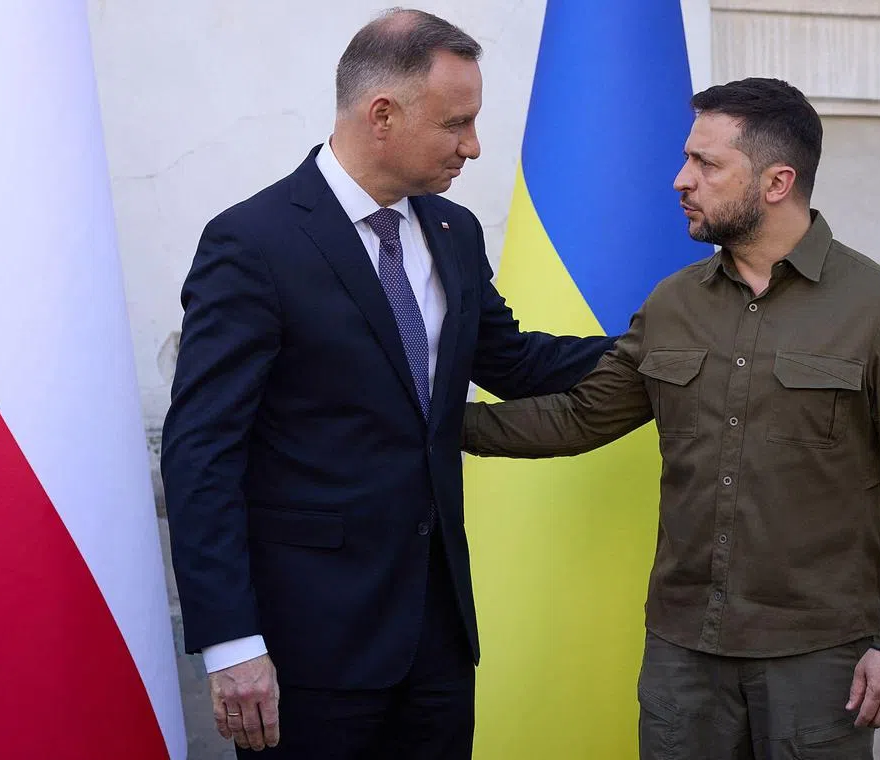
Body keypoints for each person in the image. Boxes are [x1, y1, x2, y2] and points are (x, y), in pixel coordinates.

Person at [160, 9, 611, 759]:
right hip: (307, 651)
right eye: (456, 124)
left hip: (436, 638)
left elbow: (515, 364)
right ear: (382, 115)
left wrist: (664, 343)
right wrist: (232, 644)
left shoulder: (453, 233)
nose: (473, 146)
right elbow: (201, 451)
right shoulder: (253, 243)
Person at [463, 77, 880, 759]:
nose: (680, 180)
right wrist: (437, 423)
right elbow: (580, 418)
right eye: (687, 159)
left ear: (777, 182)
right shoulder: (672, 304)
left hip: (818, 656)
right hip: (683, 652)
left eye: (706, 164)